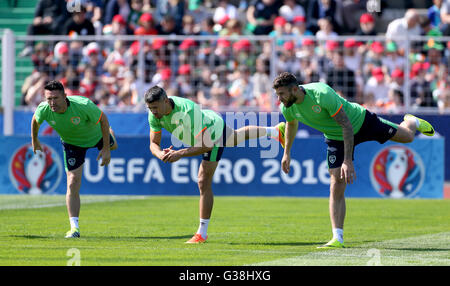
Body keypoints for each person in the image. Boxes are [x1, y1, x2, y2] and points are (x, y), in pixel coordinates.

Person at [272, 72, 435, 248]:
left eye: (282, 94)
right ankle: (337, 238)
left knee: (408, 137)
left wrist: (347, 161)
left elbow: (346, 125)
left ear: (295, 89)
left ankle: (411, 121)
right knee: (336, 181)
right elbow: (291, 124)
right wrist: (286, 153)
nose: (279, 99)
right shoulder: (287, 107)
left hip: (360, 121)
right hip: (335, 137)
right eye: (277, 94)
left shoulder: (321, 94)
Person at [145, 86, 284, 243]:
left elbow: (207, 145)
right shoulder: (153, 115)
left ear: (165, 101)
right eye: (150, 108)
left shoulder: (187, 111)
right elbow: (153, 144)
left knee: (203, 181)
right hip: (207, 123)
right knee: (237, 137)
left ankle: (201, 234)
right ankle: (275, 132)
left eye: (155, 108)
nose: (153, 112)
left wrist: (179, 153)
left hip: (213, 132)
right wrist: (160, 154)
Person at [31, 81, 118, 238]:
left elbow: (103, 119)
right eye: (48, 99)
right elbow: (35, 121)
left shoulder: (83, 104)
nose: (52, 102)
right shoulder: (44, 109)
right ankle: (74, 228)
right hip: (72, 144)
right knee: (72, 182)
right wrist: (35, 140)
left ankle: (110, 137)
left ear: (65, 96)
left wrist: (105, 148)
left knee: (113, 145)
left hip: (97, 136)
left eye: (55, 98)